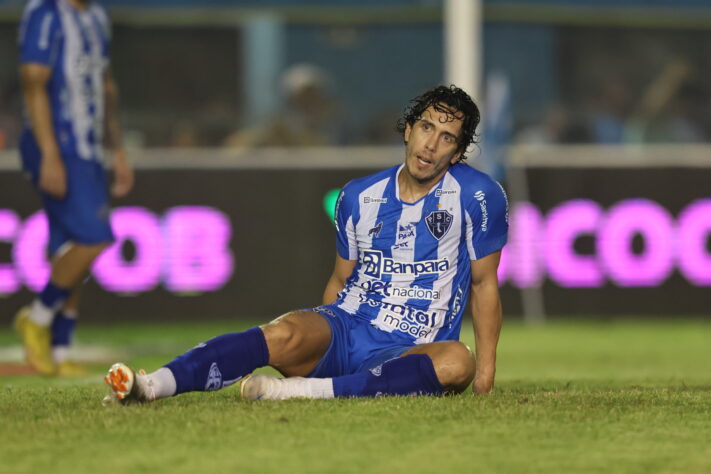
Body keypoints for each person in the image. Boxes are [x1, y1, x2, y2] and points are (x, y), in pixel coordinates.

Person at [104, 84, 507, 404]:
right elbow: (340, 279)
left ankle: (301, 392)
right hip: (349, 325)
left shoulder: (477, 196)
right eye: (426, 128)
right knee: (284, 331)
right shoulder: (359, 196)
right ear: (408, 129)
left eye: (447, 137)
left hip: (412, 347)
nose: (431, 145)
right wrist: (322, 339)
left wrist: (485, 377)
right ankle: (154, 384)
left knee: (457, 361)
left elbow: (484, 284)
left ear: (457, 153)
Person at [14, 0, 133, 376]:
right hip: (59, 144)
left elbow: (105, 84)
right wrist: (50, 152)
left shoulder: (96, 16)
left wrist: (117, 149)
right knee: (94, 238)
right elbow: (33, 82)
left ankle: (58, 350)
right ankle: (37, 317)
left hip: (87, 145)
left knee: (67, 247)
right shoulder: (46, 13)